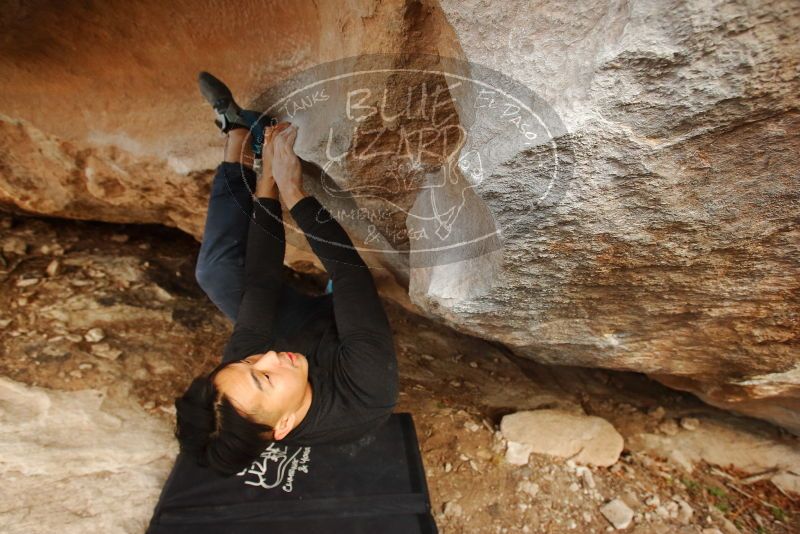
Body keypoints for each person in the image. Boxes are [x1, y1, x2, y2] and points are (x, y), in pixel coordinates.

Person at [174, 72, 399, 476]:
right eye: (264, 377)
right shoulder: (364, 393)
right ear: (284, 426)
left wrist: (268, 182)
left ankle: (239, 139)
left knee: (216, 271)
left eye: (249, 363)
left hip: (298, 327)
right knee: (346, 291)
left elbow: (261, 282)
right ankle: (329, 300)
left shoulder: (240, 380)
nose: (269, 357)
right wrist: (294, 190)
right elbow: (351, 274)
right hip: (343, 332)